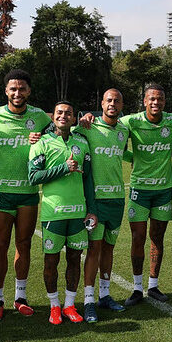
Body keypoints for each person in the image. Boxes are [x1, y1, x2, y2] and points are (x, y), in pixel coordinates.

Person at [0, 69, 51, 320]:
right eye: (13, 89)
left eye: (22, 89)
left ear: (29, 91)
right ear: (5, 91)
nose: (17, 93)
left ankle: (20, 296)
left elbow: (59, 138)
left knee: (24, 244)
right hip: (1, 193)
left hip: (28, 192)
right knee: (0, 244)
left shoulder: (39, 117)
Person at [28, 101, 97, 324]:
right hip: (53, 214)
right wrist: (63, 168)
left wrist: (91, 210)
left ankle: (69, 304)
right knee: (51, 261)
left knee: (75, 258)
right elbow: (33, 177)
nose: (64, 116)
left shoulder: (82, 142)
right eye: (59, 112)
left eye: (68, 113)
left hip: (78, 213)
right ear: (53, 117)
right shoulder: (42, 143)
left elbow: (88, 179)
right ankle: (54, 305)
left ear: (74, 117)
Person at [118, 84, 172, 305]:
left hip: (164, 190)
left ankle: (153, 286)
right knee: (138, 238)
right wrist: (132, 158)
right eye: (152, 99)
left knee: (157, 238)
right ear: (145, 101)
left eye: (160, 99)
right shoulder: (131, 121)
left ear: (164, 102)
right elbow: (109, 135)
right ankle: (137, 289)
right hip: (140, 190)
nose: (156, 103)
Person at [73, 89, 130, 322]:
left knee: (109, 248)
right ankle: (88, 301)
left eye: (117, 101)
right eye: (109, 100)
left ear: (122, 105)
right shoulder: (88, 128)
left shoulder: (124, 131)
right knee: (94, 249)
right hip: (95, 200)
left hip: (117, 199)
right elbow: (63, 133)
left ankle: (105, 295)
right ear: (102, 104)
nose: (113, 104)